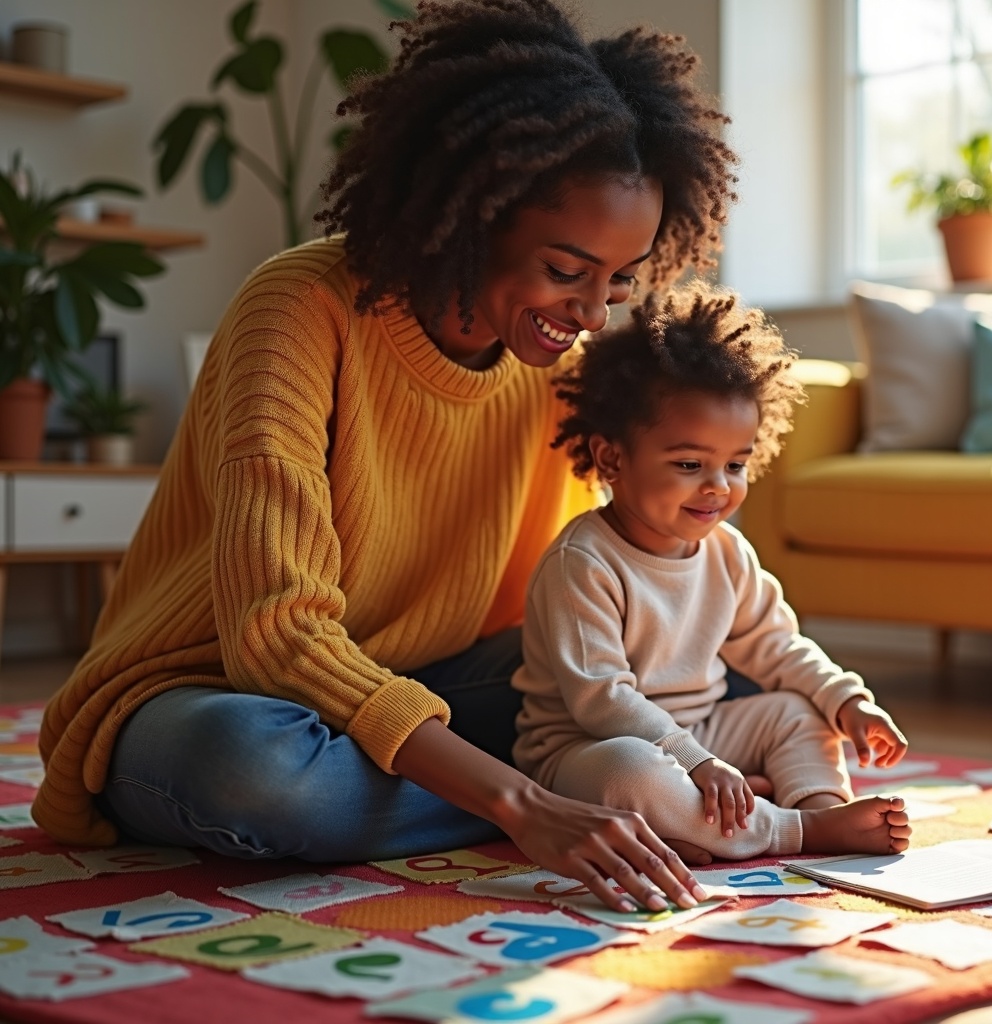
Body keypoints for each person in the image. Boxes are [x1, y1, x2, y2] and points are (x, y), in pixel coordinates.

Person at [35, 0, 742, 915]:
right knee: (261, 776)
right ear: (468, 213)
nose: (591, 313)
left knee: (714, 663)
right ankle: (567, 794)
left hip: (426, 681)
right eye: (566, 271)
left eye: (618, 280)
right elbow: (276, 637)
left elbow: (633, 571)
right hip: (219, 694)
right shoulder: (299, 309)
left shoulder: (559, 364)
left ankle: (551, 785)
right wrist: (521, 802)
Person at [512, 283, 913, 860]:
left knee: (797, 710)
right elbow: (602, 701)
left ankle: (816, 805)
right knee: (633, 773)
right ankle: (789, 830)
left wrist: (847, 700)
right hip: (586, 752)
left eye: (735, 464)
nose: (717, 486)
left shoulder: (727, 550)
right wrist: (695, 763)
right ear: (612, 459)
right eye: (689, 464)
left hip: (700, 734)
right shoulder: (582, 562)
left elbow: (776, 647)